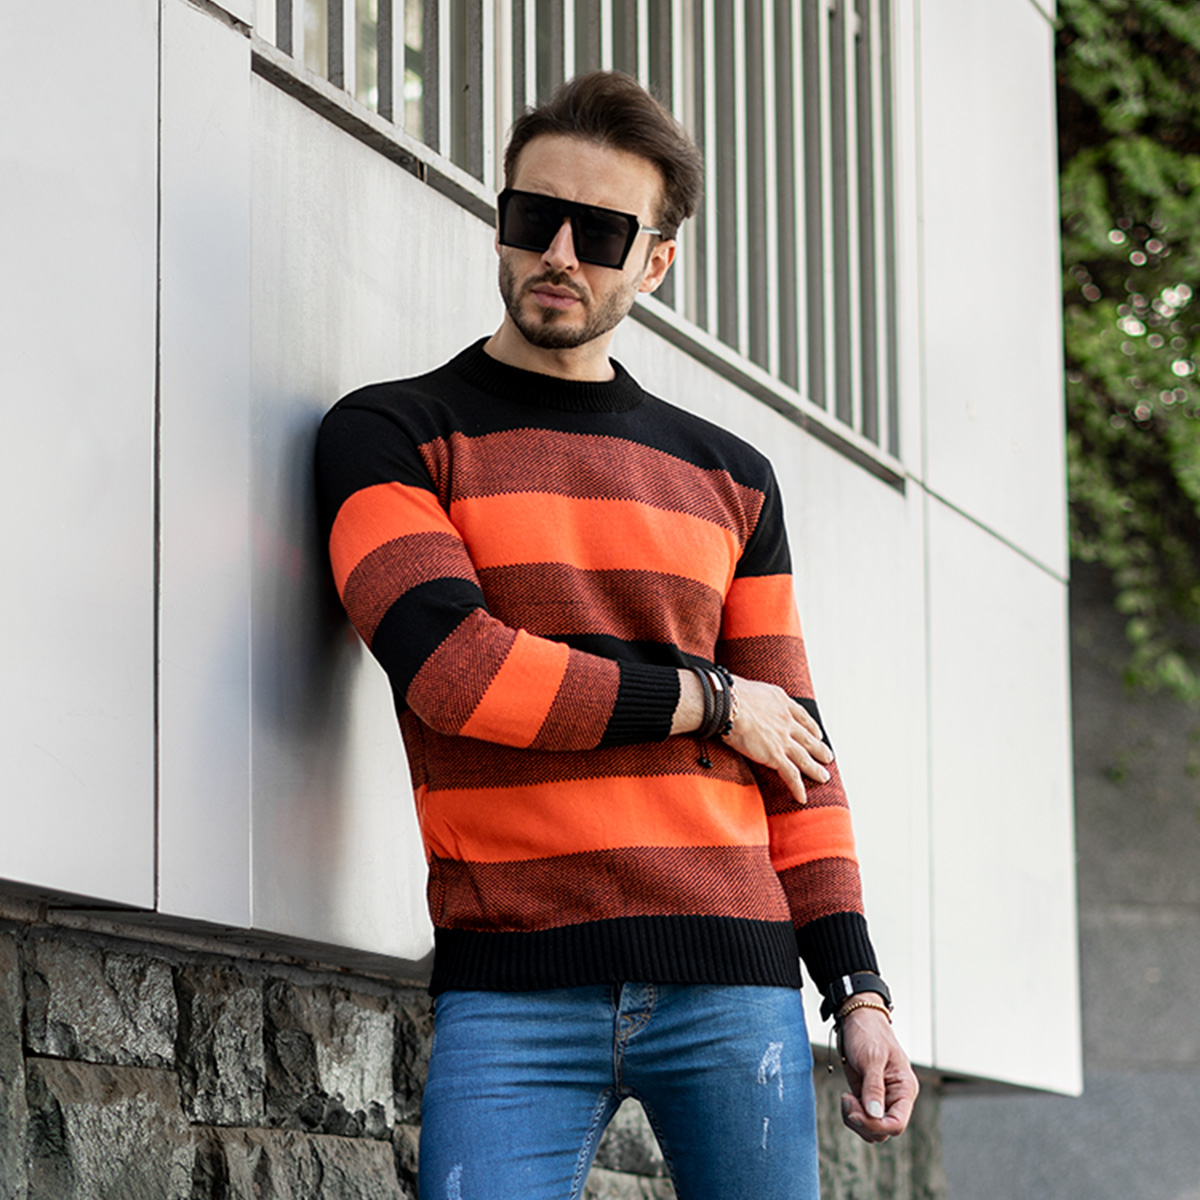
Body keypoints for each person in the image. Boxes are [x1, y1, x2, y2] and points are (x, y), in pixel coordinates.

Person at [316, 70, 918, 1200]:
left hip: (735, 984)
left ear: (655, 262)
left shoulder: (733, 477)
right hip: (511, 987)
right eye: (530, 216)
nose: (557, 253)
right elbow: (458, 674)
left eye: (599, 233)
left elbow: (800, 756)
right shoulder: (391, 433)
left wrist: (859, 991)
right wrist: (710, 701)